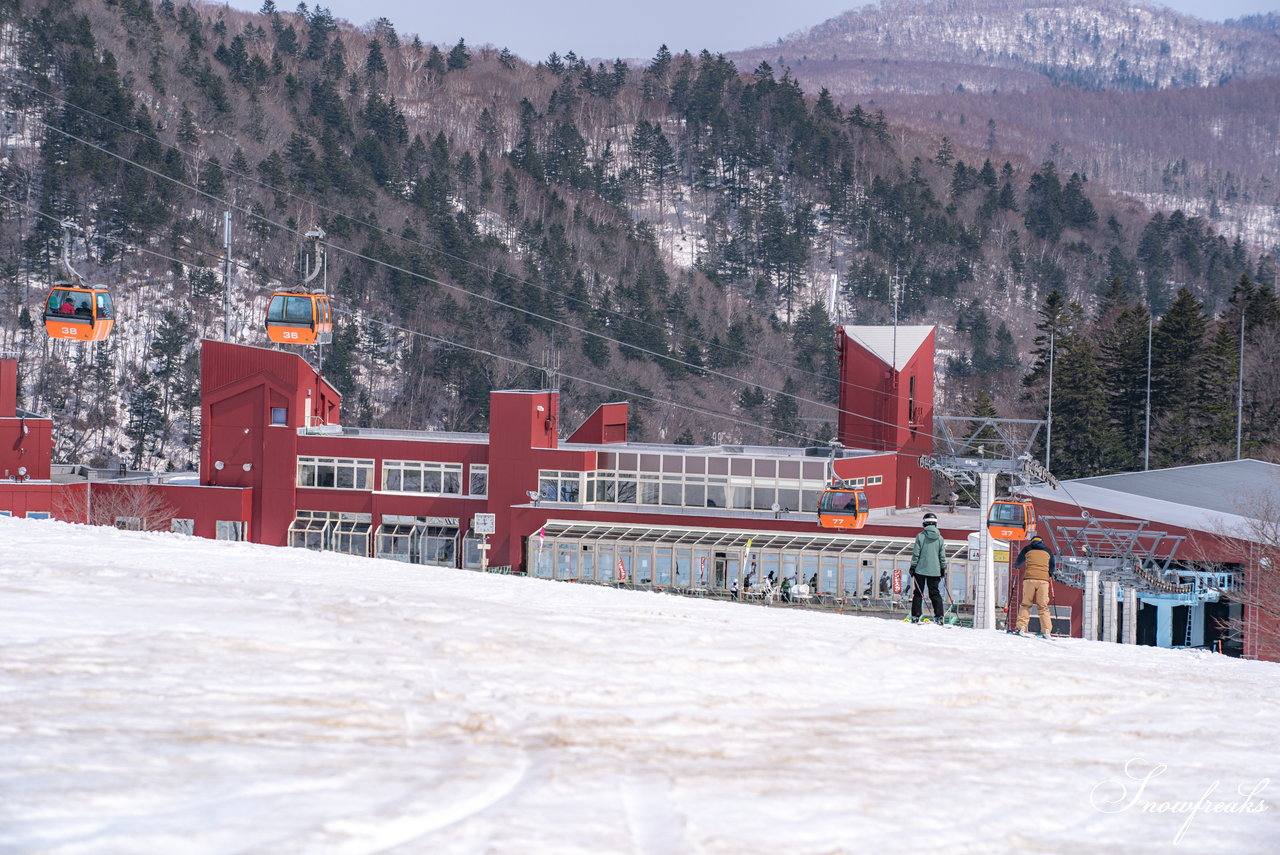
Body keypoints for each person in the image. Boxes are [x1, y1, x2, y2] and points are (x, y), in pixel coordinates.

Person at [1013, 534, 1056, 637]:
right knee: (1043, 606)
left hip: (1029, 579)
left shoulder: (1027, 548)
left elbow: (1018, 563)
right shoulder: (1048, 551)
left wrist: (1017, 566)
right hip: (1044, 581)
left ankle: (1021, 627)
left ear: (1032, 541)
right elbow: (1052, 565)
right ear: (1042, 541)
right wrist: (1050, 573)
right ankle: (1046, 631)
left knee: (1026, 604)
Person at [909, 512, 947, 623]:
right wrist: (942, 567)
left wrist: (913, 566)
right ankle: (939, 617)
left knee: (918, 593)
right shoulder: (940, 538)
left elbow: (916, 553)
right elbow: (942, 555)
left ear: (924, 524)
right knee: (935, 593)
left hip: (920, 569)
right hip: (935, 570)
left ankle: (916, 615)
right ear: (935, 524)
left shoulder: (920, 536)